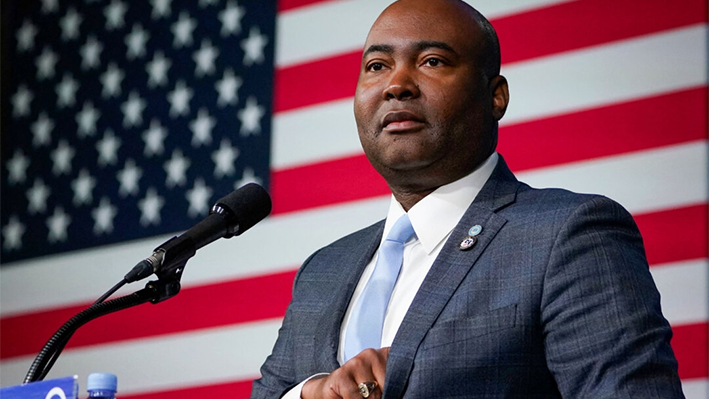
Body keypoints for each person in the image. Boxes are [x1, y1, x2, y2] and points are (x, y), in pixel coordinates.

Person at [251, 0, 685, 398]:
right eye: (377, 65)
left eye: (432, 61)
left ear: (495, 96)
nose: (396, 84)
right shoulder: (322, 270)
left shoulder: (568, 235)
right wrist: (311, 392)